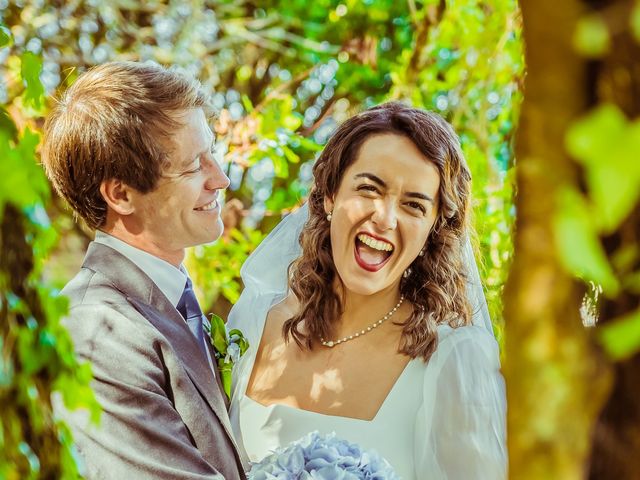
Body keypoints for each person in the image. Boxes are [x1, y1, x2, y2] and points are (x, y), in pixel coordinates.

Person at [228, 102, 507, 479]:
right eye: (369, 189)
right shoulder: (252, 324)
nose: (385, 218)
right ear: (330, 196)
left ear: (432, 231)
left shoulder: (454, 361)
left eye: (413, 205)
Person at [42, 61, 245, 479]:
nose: (221, 179)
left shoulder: (177, 304)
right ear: (121, 194)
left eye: (213, 153)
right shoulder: (97, 333)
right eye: (193, 166)